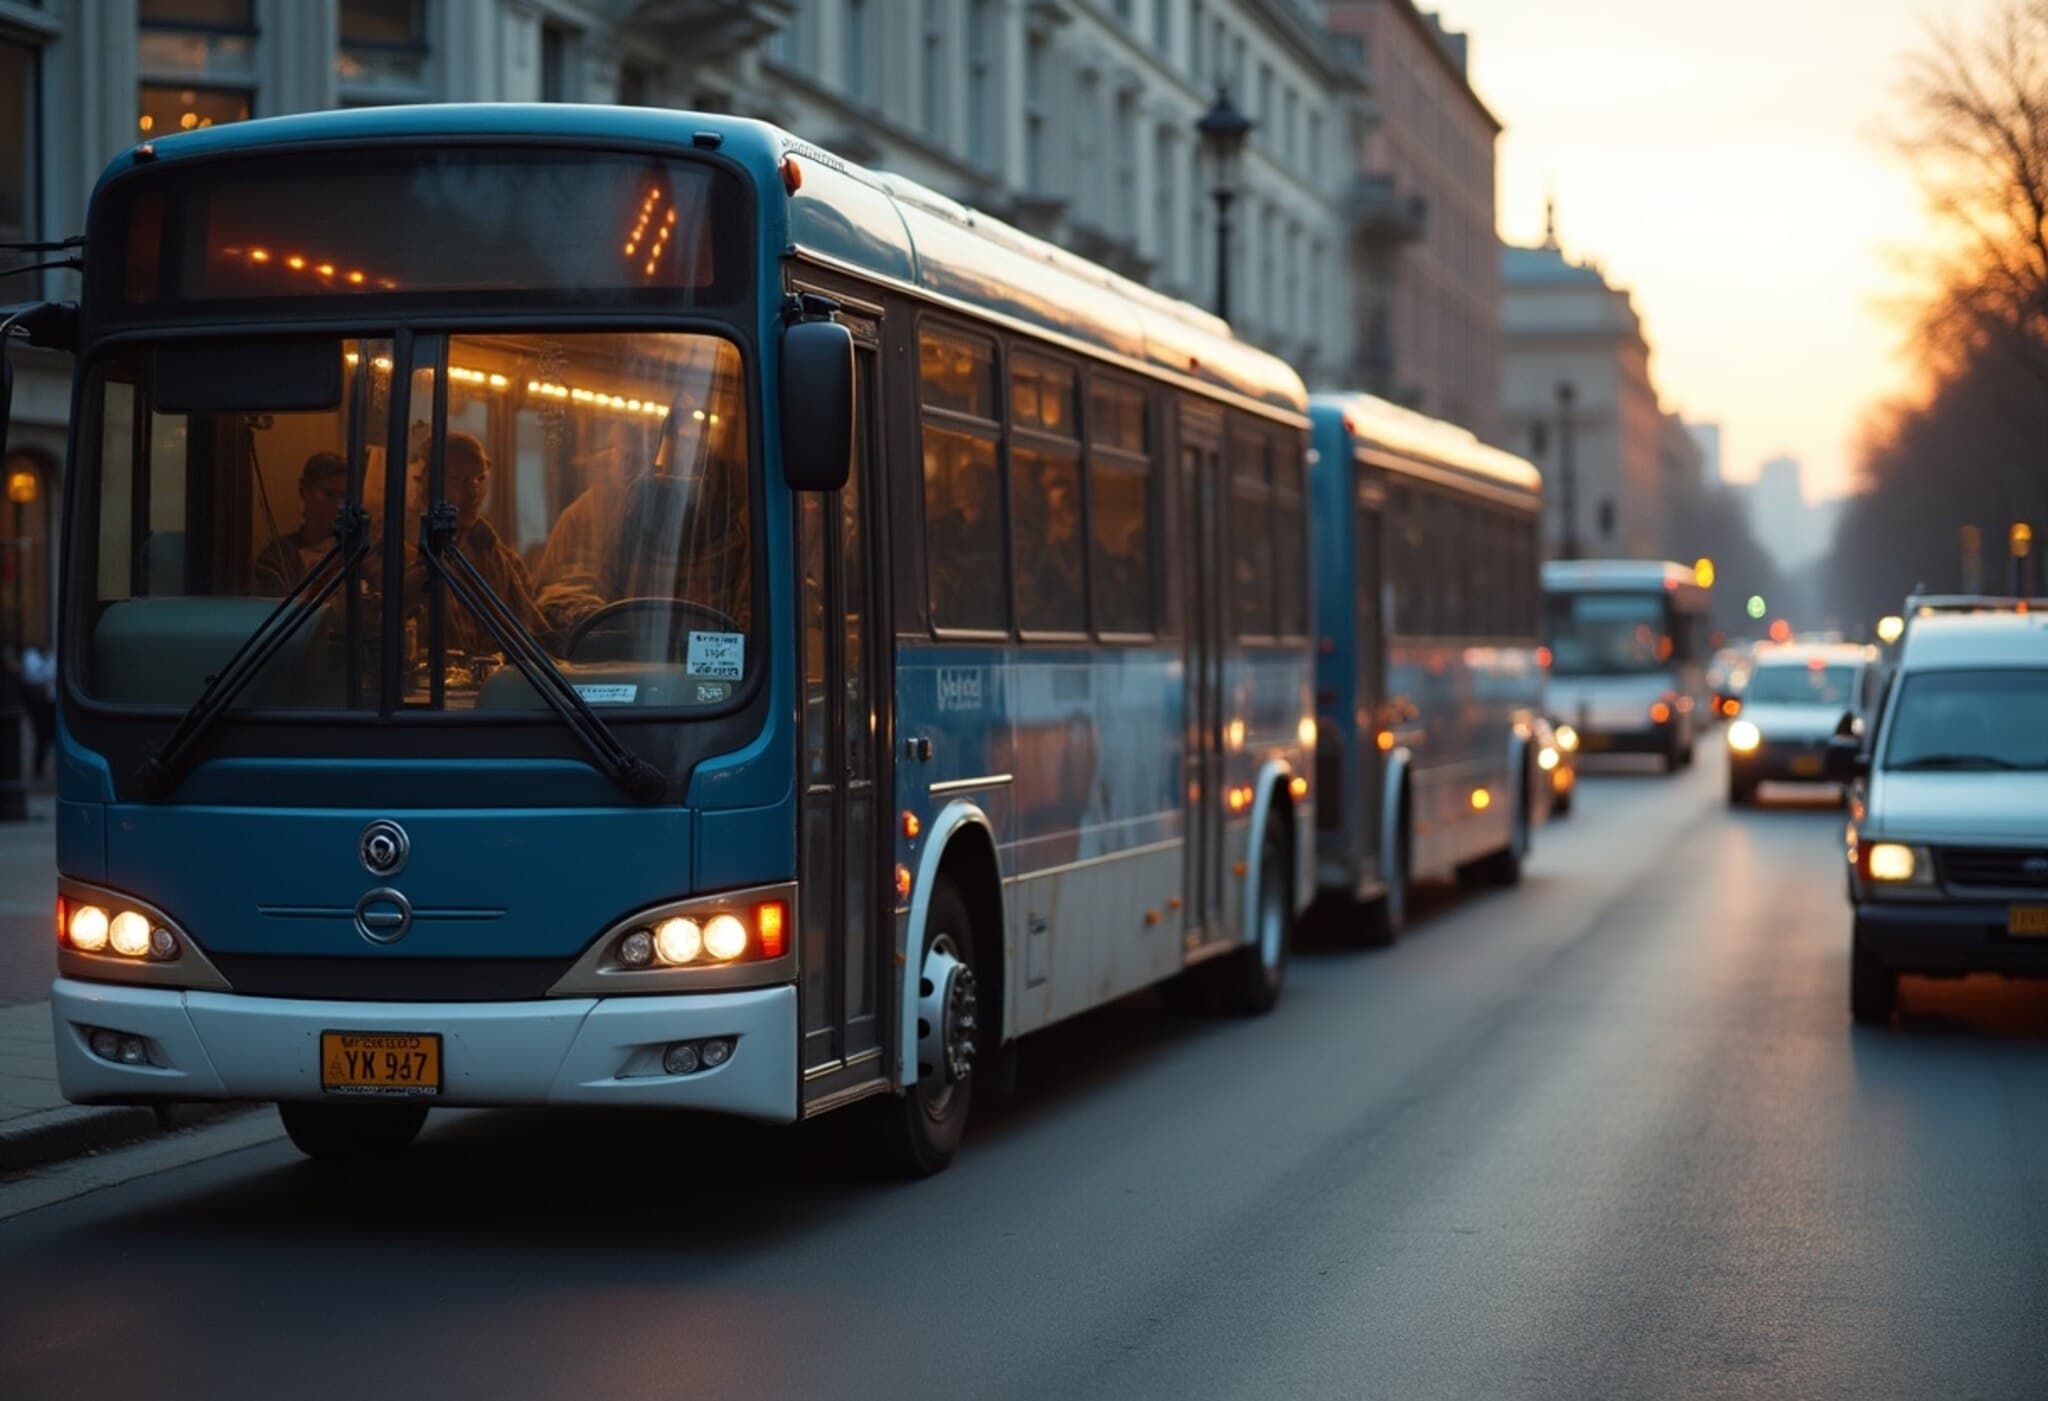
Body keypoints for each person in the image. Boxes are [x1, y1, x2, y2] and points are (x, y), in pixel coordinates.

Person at [426, 432, 550, 659]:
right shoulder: (405, 555)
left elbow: (533, 636)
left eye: (480, 478)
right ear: (428, 482)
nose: (473, 491)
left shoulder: (501, 559)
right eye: (458, 479)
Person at [253, 452, 348, 595]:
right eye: (330, 494)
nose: (340, 505)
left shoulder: (361, 553)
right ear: (304, 491)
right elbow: (277, 607)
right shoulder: (277, 559)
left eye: (345, 497)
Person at [20, 644, 55, 781]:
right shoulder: (31, 656)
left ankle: (42, 770)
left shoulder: (50, 659)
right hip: (42, 705)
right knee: (42, 739)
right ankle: (38, 770)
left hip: (51, 704)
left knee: (46, 740)